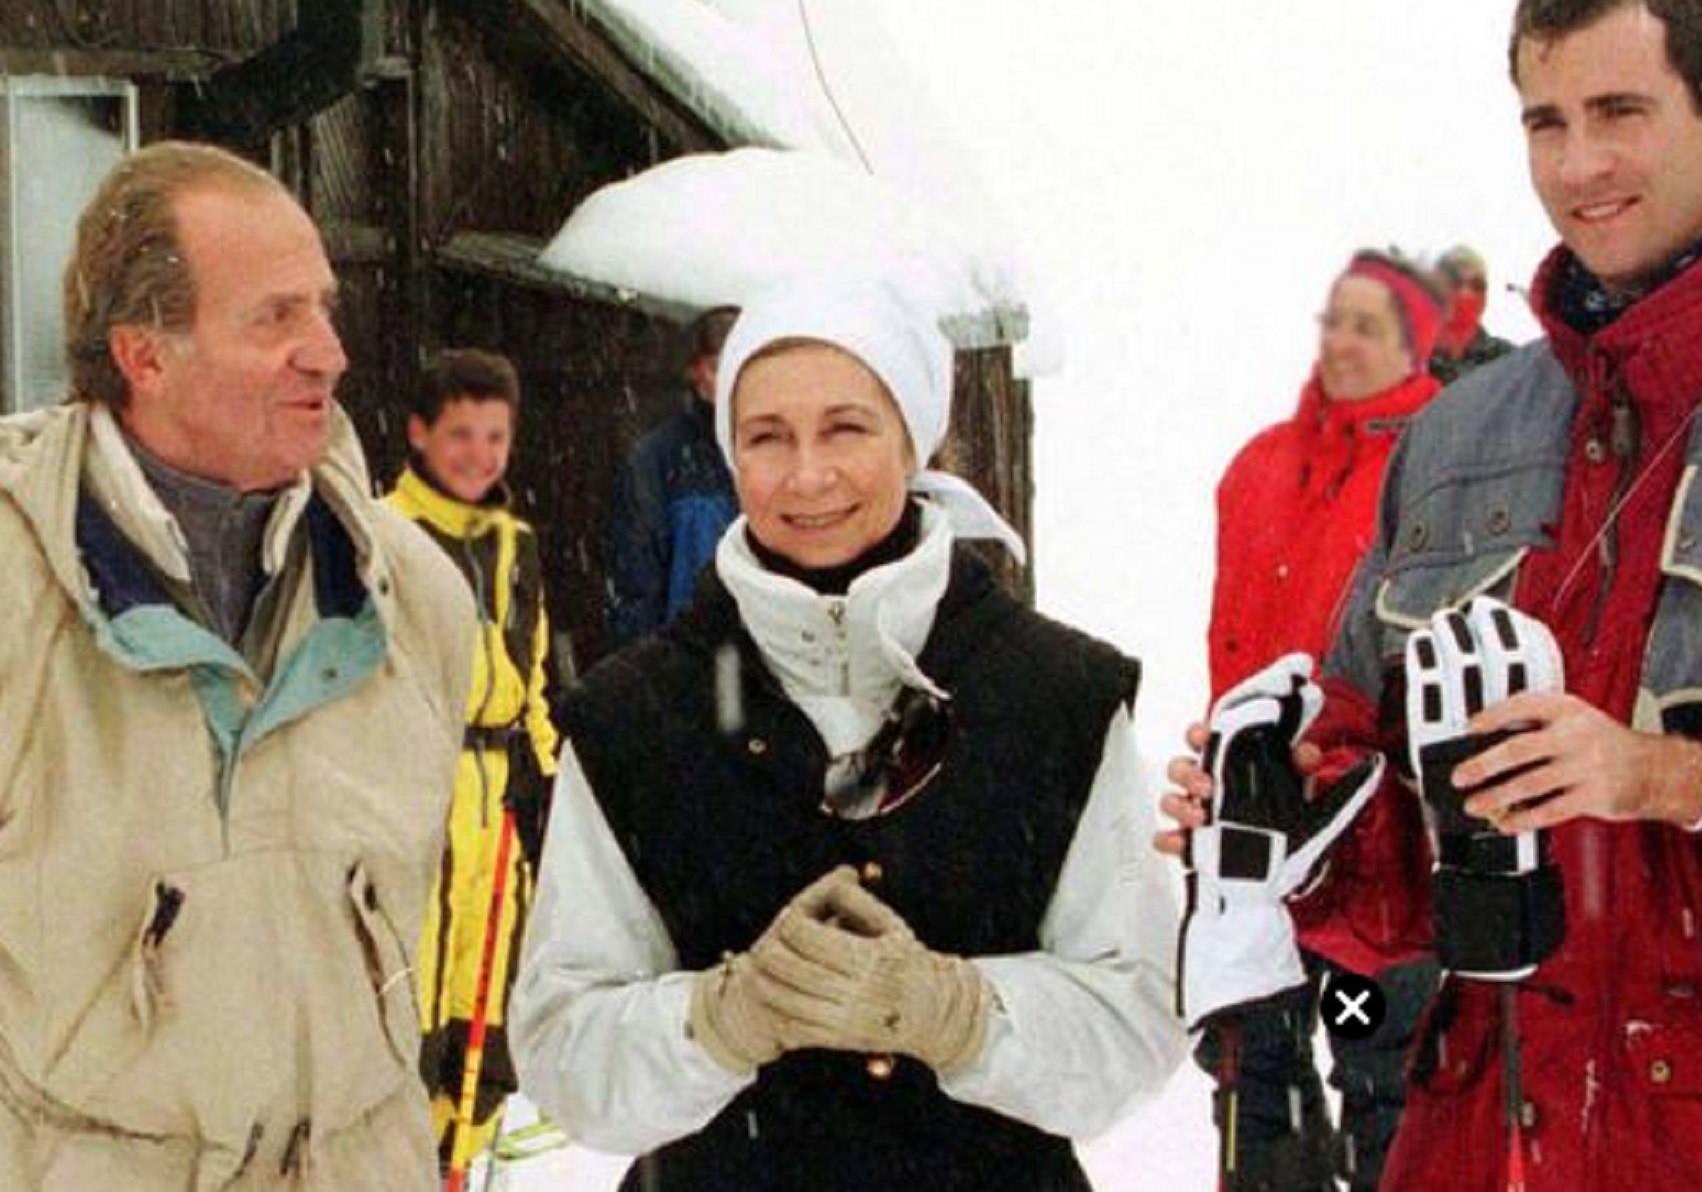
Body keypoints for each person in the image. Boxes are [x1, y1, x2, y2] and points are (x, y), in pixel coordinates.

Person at [1161, 0, 1702, 1190]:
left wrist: (1680, 780)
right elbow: (1380, 868)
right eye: (1544, 122)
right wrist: (1288, 824)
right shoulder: (1455, 440)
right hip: (1482, 1135)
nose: (1578, 165)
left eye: (1620, 113)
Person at [512, 279, 1185, 1189]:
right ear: (729, 453)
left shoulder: (1054, 696)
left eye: (845, 428)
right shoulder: (635, 716)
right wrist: (721, 1018)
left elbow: (1136, 1019)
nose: (806, 475)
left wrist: (959, 1013)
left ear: (911, 436)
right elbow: (564, 1050)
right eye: (766, 437)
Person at [0, 140, 473, 1189]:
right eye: (275, 318)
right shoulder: (14, 591)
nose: (329, 353)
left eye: (324, 307)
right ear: (144, 355)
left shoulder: (414, 596)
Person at [1197, 250, 1442, 1190]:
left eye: (1366, 326)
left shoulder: (1439, 458)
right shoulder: (1259, 464)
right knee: (1254, 1076)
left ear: (1413, 344)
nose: (1339, 342)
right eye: (1331, 320)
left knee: (1383, 1071)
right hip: (1254, 834)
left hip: (1373, 837)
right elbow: (1228, 637)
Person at [383, 348, 561, 1172]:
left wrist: (549, 784)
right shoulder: (384, 534)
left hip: (498, 816)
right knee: (411, 1012)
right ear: (419, 435)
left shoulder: (514, 542)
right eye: (460, 435)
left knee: (481, 1016)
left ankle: (465, 1157)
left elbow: (531, 682)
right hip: (419, 803)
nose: (479, 454)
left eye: (495, 436)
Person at [605, 305, 740, 647]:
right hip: (693, 665)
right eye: (717, 366)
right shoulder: (657, 459)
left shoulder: (787, 451)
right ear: (694, 373)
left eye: (742, 364)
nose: (731, 379)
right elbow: (638, 585)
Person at [1427, 244, 1513, 386]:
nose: (1466, 294)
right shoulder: (1406, 361)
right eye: (1455, 283)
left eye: (1477, 285)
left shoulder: (1507, 358)